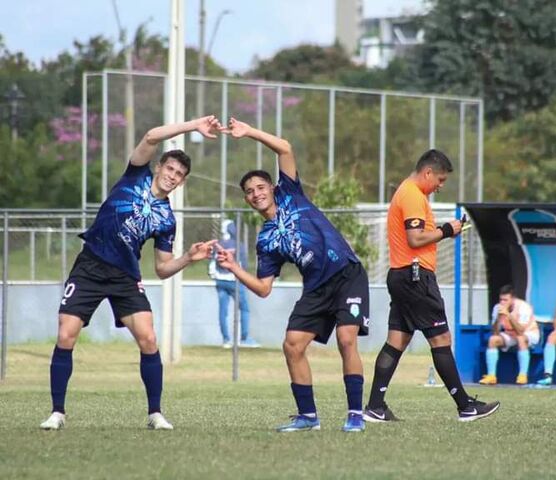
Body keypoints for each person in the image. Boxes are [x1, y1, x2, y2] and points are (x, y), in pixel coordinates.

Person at [40, 116, 220, 430]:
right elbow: (151, 134)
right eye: (170, 169)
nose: (173, 176)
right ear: (160, 166)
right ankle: (57, 413)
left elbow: (163, 269)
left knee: (149, 338)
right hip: (91, 266)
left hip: (125, 275)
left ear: (182, 181)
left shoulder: (167, 220)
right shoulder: (134, 176)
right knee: (66, 334)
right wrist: (192, 126)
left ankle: (155, 414)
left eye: (179, 175)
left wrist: (189, 257)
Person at [216, 117, 369, 432]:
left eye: (260, 187)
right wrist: (233, 268)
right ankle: (308, 417)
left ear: (272, 187)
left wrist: (248, 132)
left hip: (347, 274)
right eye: (249, 191)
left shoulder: (290, 193)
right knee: (293, 345)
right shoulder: (265, 240)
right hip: (316, 288)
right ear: (246, 199)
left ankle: (355, 414)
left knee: (346, 339)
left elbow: (284, 147)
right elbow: (262, 288)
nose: (256, 193)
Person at [363, 149, 500, 423]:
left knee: (396, 341)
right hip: (415, 278)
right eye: (439, 179)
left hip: (402, 275)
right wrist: (447, 230)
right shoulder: (413, 194)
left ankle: (375, 407)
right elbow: (415, 239)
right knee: (441, 340)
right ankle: (465, 407)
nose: (440, 186)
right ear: (427, 172)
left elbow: (415, 234)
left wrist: (442, 229)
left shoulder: (409, 192)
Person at [208, 219, 260, 348]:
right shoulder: (239, 245)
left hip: (220, 281)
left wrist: (215, 276)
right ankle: (244, 338)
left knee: (223, 311)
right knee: (244, 309)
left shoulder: (218, 245)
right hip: (235, 281)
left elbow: (212, 265)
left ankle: (226, 340)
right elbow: (243, 265)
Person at [479, 285, 539, 385]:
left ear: (512, 299)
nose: (502, 302)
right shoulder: (497, 308)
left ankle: (523, 375)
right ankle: (491, 376)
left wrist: (509, 315)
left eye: (505, 300)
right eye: (501, 300)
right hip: (510, 334)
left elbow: (521, 331)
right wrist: (498, 318)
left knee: (521, 339)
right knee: (493, 340)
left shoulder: (524, 307)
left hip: (529, 334)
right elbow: (495, 332)